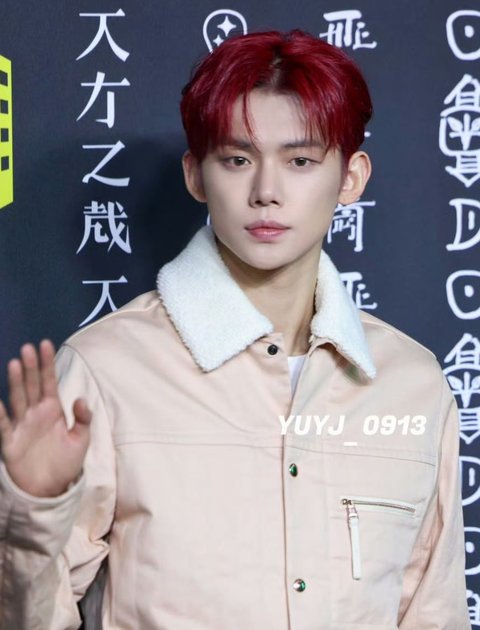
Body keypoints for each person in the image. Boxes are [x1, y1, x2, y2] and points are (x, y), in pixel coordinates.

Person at [0, 28, 470, 629]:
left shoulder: (413, 384)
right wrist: (31, 512)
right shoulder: (107, 370)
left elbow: (434, 612)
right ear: (196, 175)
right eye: (237, 160)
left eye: (300, 161)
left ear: (351, 178)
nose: (266, 192)